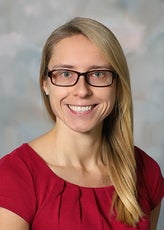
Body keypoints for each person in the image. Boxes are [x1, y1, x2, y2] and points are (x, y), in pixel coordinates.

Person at [0, 17, 163, 230]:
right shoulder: (12, 177)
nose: (82, 91)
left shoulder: (146, 171)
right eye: (66, 74)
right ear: (45, 84)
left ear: (117, 85)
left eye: (98, 74)